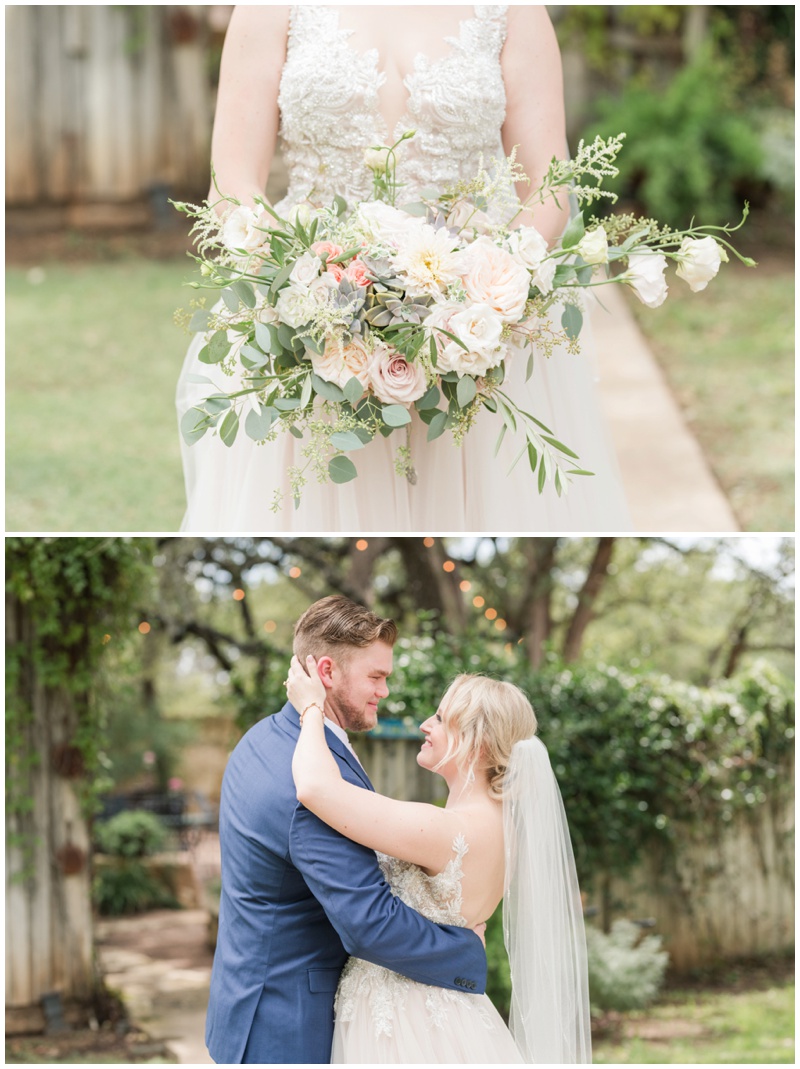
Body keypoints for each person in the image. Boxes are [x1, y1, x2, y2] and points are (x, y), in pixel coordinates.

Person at [176, 5, 632, 531]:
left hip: (473, 332)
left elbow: (548, 192)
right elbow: (231, 183)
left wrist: (472, 297)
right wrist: (315, 288)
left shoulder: (515, 10)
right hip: (313, 330)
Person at [205, 595, 488, 1064]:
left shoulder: (263, 738)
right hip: (287, 1026)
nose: (385, 691)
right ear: (327, 673)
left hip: (245, 1002)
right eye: (375, 677)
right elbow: (367, 922)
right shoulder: (304, 787)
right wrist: (464, 953)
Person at [286, 655, 592, 1063]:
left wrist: (310, 708)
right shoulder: (504, 829)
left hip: (407, 1024)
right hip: (451, 1011)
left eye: (441, 719)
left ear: (477, 744)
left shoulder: (448, 831)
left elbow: (314, 788)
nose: (425, 726)